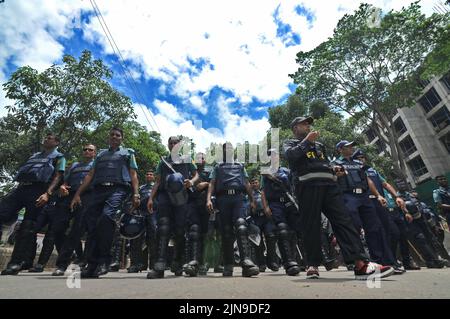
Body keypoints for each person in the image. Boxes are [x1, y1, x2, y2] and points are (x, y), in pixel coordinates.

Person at [283, 116, 393, 280]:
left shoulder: (319, 146)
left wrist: (334, 169)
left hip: (329, 187)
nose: (308, 126)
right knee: (311, 226)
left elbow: (324, 163)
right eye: (303, 124)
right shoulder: (290, 143)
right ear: (295, 128)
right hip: (307, 187)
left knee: (344, 222)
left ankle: (361, 264)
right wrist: (306, 141)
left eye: (308, 124)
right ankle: (313, 265)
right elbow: (291, 157)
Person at [70, 127, 140, 278]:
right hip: (98, 191)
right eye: (112, 135)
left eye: (118, 135)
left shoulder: (128, 153)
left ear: (122, 138)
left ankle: (104, 261)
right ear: (109, 138)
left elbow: (133, 174)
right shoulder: (100, 154)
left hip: (118, 189)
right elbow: (90, 175)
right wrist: (77, 194)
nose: (114, 137)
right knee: (92, 226)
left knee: (106, 218)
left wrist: (136, 194)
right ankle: (92, 264)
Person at [1, 133, 66, 275]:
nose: (46, 139)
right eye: (45, 137)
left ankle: (15, 263)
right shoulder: (34, 156)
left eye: (50, 138)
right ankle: (27, 260)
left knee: (28, 226)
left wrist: (47, 193)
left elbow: (58, 176)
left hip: (39, 190)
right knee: (3, 212)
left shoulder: (59, 157)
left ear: (56, 142)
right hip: (22, 188)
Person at [30, 144, 96, 273]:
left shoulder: (96, 166)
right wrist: (63, 187)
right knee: (57, 229)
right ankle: (71, 257)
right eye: (85, 149)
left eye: (90, 150)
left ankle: (63, 264)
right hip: (68, 197)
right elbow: (66, 181)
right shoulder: (75, 165)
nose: (87, 151)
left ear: (95, 153)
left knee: (77, 229)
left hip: (86, 197)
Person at [333, 141, 396, 268]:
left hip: (364, 197)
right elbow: (331, 181)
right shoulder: (335, 164)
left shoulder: (358, 164)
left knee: (374, 228)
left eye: (352, 146)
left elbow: (368, 180)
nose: (351, 148)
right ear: (340, 149)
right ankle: (360, 262)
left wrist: (378, 195)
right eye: (347, 146)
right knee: (354, 228)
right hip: (347, 197)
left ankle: (379, 261)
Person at [146, 136, 199, 279]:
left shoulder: (188, 159)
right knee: (163, 228)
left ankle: (178, 261)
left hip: (182, 197)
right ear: (168, 145)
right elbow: (157, 181)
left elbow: (196, 175)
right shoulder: (163, 161)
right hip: (164, 197)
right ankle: (160, 265)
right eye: (171, 143)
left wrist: (191, 182)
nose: (173, 144)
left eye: (176, 142)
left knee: (180, 231)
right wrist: (151, 198)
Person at [206, 142, 260, 277]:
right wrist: (208, 199)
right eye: (225, 149)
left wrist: (252, 199)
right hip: (223, 200)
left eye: (230, 148)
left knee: (241, 226)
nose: (228, 150)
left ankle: (246, 262)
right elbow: (212, 183)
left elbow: (246, 183)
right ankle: (228, 265)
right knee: (226, 232)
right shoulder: (217, 167)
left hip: (238, 199)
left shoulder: (240, 166)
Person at [351, 149, 405, 274]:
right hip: (365, 203)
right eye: (358, 158)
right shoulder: (354, 170)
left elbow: (385, 184)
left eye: (362, 157)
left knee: (391, 232)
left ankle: (391, 260)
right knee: (375, 232)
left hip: (379, 202)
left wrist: (396, 196)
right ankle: (381, 262)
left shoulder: (372, 170)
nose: (361, 159)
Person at [260, 151, 300, 276]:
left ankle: (297, 260)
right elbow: (263, 191)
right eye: (270, 155)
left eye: (275, 155)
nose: (273, 157)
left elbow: (293, 187)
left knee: (293, 232)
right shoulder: (265, 172)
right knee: (282, 230)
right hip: (275, 204)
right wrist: (266, 207)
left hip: (289, 203)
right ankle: (289, 262)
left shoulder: (286, 171)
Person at [128, 170, 157, 273]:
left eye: (151, 174)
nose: (149, 175)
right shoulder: (140, 188)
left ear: (154, 176)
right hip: (140, 214)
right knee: (136, 240)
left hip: (153, 214)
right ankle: (136, 264)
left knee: (153, 238)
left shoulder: (156, 187)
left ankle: (154, 265)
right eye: (147, 174)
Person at [249, 177, 279, 272]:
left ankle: (272, 262)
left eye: (256, 182)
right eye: (252, 182)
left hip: (266, 218)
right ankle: (261, 263)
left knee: (271, 238)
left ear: (259, 183)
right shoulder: (249, 195)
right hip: (255, 218)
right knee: (258, 242)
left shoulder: (264, 192)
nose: (254, 184)